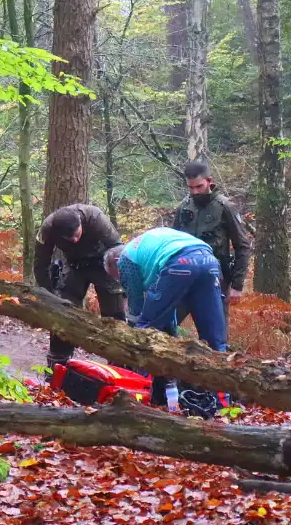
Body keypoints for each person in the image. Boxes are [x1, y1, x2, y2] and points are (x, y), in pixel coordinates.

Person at [103, 227, 228, 410]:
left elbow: (136, 308)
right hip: (208, 260)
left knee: (144, 332)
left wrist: (131, 333)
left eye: (116, 276)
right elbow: (168, 304)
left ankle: (140, 395)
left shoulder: (125, 259)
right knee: (214, 338)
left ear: (115, 262)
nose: (119, 281)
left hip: (180, 262)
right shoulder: (148, 251)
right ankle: (223, 402)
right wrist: (171, 329)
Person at [33, 204, 127, 368]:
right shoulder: (48, 229)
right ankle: (58, 362)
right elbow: (40, 263)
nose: (75, 240)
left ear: (81, 225)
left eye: (77, 235)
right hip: (75, 266)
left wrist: (123, 282)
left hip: (104, 264)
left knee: (114, 315)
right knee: (63, 311)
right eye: (70, 239)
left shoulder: (95, 218)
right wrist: (47, 294)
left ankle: (119, 364)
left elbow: (118, 249)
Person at [172, 161, 253, 320]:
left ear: (209, 181)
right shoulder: (184, 206)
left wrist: (237, 285)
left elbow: (242, 246)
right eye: (190, 187)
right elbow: (173, 241)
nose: (195, 192)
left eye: (199, 186)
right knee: (167, 325)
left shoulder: (225, 207)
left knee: (216, 335)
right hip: (184, 275)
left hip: (216, 279)